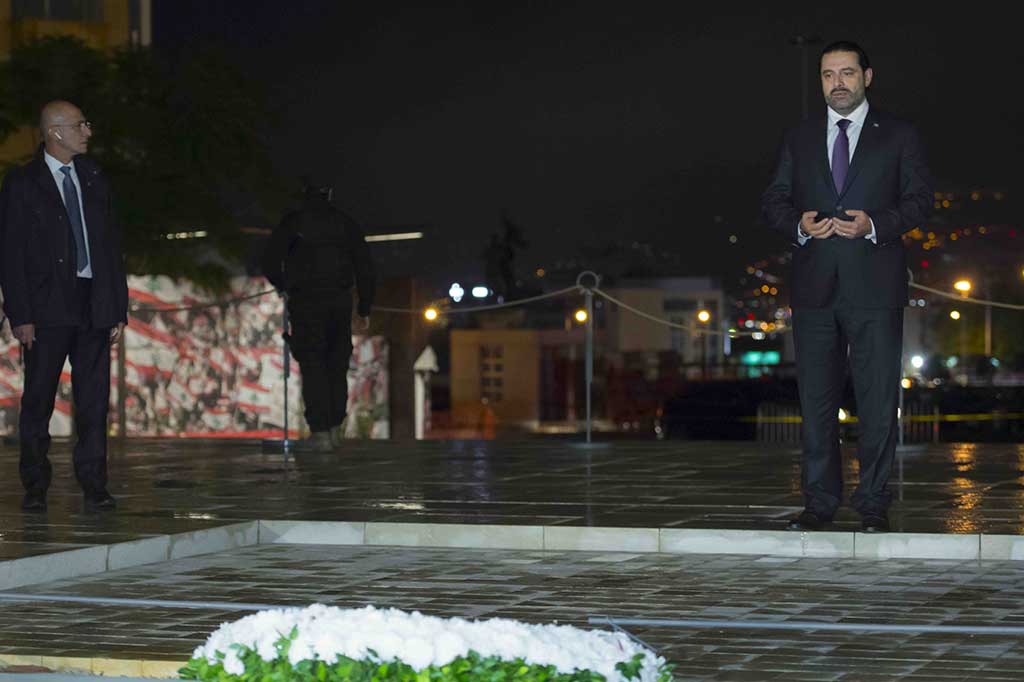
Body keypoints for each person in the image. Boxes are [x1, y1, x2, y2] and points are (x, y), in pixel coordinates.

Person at [761, 41, 933, 533]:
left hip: (875, 285)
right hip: (814, 287)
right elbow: (773, 200)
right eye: (827, 74)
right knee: (816, 402)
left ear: (867, 77)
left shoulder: (899, 136)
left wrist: (875, 224)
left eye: (847, 73)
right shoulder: (798, 137)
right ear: (820, 80)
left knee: (879, 400)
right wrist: (798, 224)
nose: (837, 82)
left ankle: (874, 502)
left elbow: (921, 201)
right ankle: (819, 502)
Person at [0, 100, 128, 512]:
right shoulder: (22, 182)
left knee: (93, 402)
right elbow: (11, 253)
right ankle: (35, 486)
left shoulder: (93, 176)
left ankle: (95, 485)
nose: (88, 131)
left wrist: (117, 306)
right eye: (80, 125)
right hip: (46, 307)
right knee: (38, 399)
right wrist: (21, 315)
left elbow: (110, 246)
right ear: (55, 132)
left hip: (94, 303)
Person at [261, 179, 374, 452]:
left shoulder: (294, 223)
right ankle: (334, 428)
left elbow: (270, 261)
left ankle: (320, 432)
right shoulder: (346, 223)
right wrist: (365, 307)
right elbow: (365, 266)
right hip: (339, 302)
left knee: (313, 365)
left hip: (306, 302)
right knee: (336, 365)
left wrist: (285, 285)